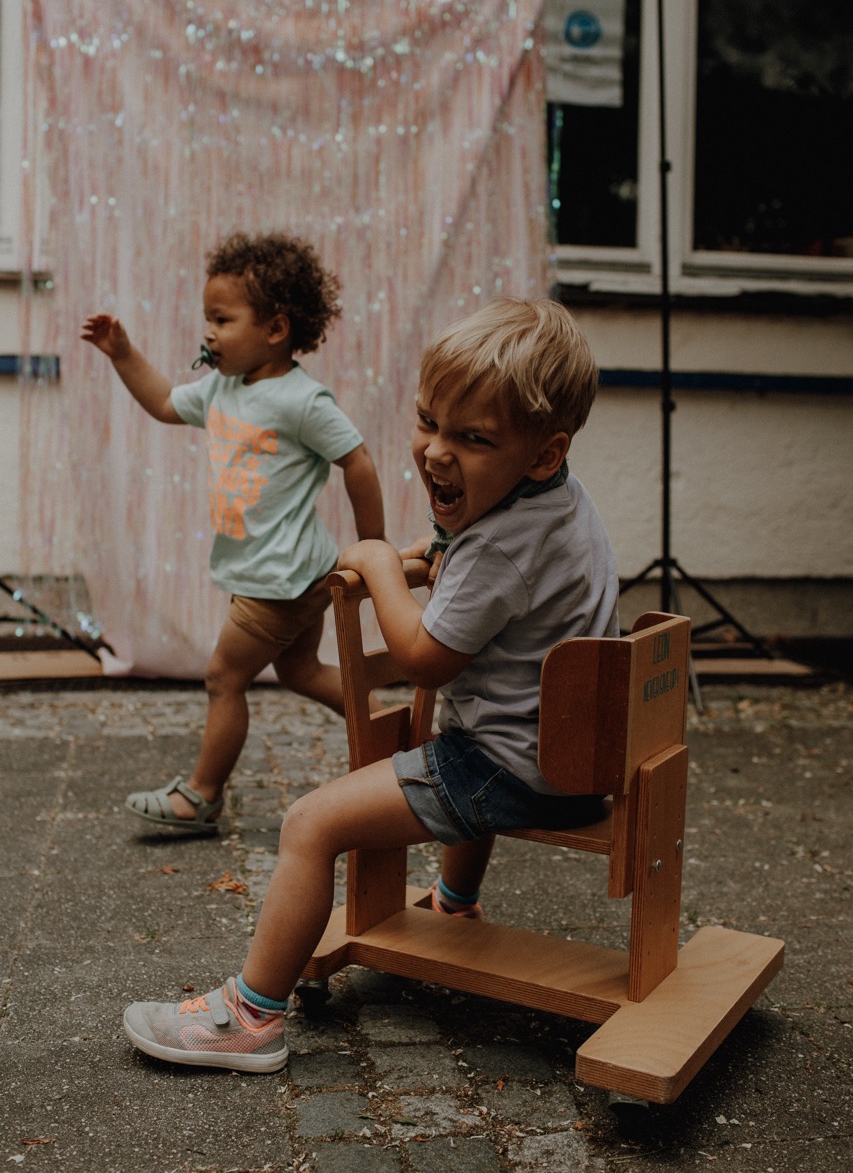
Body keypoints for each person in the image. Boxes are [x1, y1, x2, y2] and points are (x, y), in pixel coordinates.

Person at [121, 295, 619, 1071]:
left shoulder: (501, 551)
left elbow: (422, 658)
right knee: (451, 732)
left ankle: (249, 1019)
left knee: (310, 825)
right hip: (574, 756)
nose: (435, 452)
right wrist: (433, 551)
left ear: (543, 452)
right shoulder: (554, 501)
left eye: (472, 438)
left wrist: (383, 559)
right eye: (428, 422)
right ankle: (453, 905)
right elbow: (477, 556)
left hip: (512, 767)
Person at [82, 230, 385, 833]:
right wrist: (123, 355)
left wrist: (371, 548)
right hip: (291, 571)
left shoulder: (302, 401)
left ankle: (201, 795)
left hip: (281, 577)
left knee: (223, 678)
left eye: (222, 319)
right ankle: (393, 731)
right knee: (300, 672)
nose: (209, 333)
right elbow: (166, 402)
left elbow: (359, 461)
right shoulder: (222, 389)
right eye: (207, 320)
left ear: (275, 329)